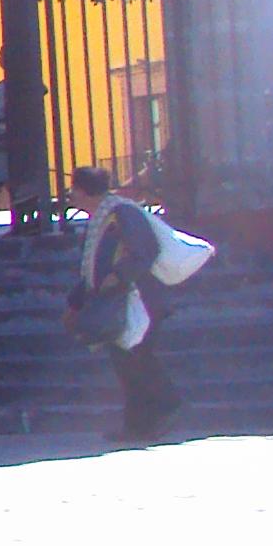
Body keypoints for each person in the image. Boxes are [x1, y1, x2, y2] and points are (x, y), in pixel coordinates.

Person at [64, 164, 211, 440]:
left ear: (84, 191)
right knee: (127, 361)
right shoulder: (105, 218)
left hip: (140, 299)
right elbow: (94, 267)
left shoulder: (122, 214)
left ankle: (164, 409)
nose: (72, 198)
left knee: (136, 358)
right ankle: (139, 425)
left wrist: (118, 277)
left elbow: (146, 251)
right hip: (121, 300)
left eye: (74, 192)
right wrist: (76, 302)